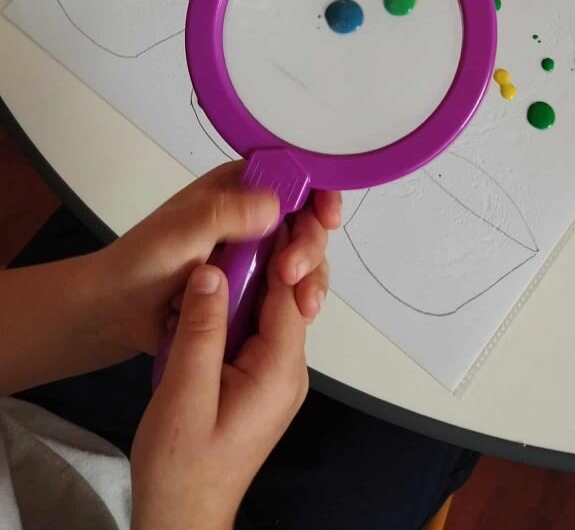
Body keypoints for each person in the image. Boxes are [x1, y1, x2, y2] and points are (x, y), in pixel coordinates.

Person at [1, 162, 477, 529]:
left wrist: (102, 305)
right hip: (184, 511)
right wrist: (189, 509)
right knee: (436, 407)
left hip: (27, 402)